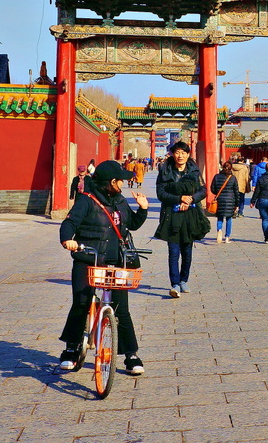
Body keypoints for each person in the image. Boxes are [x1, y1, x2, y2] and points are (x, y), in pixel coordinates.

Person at [57, 160, 149, 376]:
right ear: (111, 181)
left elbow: (131, 224)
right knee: (81, 303)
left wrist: (143, 209)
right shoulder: (86, 200)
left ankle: (130, 354)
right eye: (120, 180)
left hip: (116, 260)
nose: (123, 184)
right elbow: (69, 223)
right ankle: (71, 348)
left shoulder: (119, 200)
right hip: (88, 258)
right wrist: (67, 240)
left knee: (121, 309)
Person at [154, 141, 209, 298]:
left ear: (188, 154)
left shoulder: (194, 170)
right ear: (173, 154)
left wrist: (190, 199)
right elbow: (161, 193)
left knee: (187, 250)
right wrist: (179, 198)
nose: (180, 156)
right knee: (173, 251)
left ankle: (184, 279)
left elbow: (203, 190)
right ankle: (175, 284)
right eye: (177, 152)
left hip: (190, 214)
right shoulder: (165, 170)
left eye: (183, 153)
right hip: (171, 214)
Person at [211, 161, 238, 244]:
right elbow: (236, 191)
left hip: (220, 199)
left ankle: (219, 230)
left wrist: (217, 193)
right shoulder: (233, 178)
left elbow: (212, 188)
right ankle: (227, 237)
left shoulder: (216, 177)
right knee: (229, 218)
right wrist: (237, 204)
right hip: (230, 200)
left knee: (220, 217)